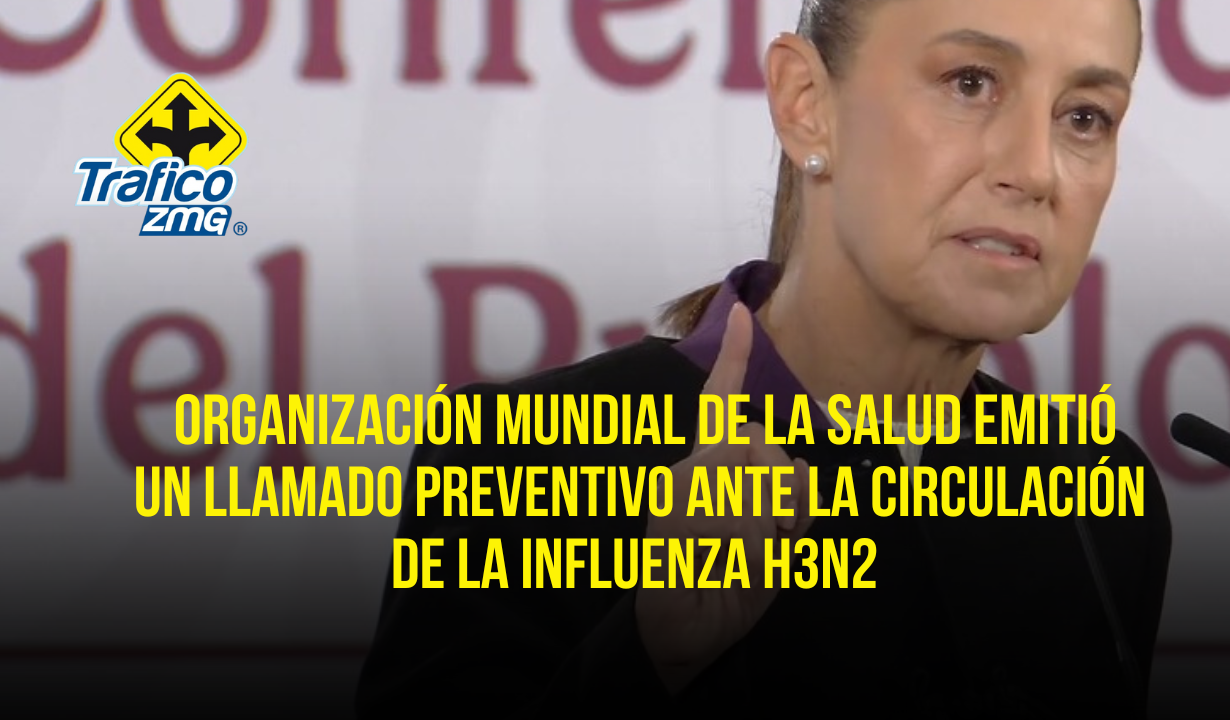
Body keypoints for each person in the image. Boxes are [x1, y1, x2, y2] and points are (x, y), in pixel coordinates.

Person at [355, 0, 1171, 716]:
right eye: (970, 82)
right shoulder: (519, 457)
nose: (1034, 170)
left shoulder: (1105, 502)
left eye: (1085, 117)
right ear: (805, 103)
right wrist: (648, 659)